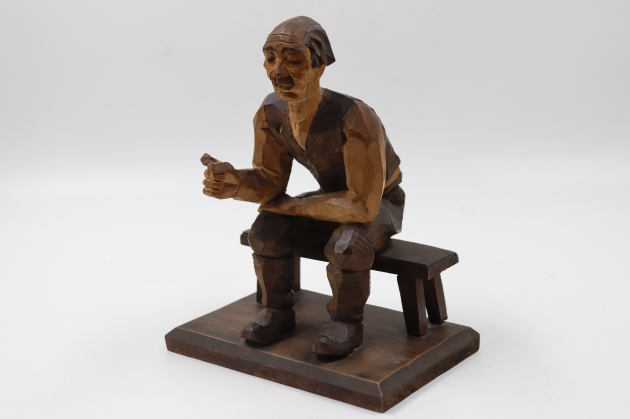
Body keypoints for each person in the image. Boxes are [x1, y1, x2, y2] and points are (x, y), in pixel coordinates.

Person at [202, 16, 404, 356]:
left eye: (293, 60)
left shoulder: (356, 117)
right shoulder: (271, 112)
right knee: (266, 229)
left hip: (380, 201)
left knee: (348, 244)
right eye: (270, 58)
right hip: (332, 199)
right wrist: (236, 183)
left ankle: (346, 324)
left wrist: (296, 206)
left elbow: (361, 206)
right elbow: (270, 182)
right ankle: (277, 312)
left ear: (320, 65)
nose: (278, 72)